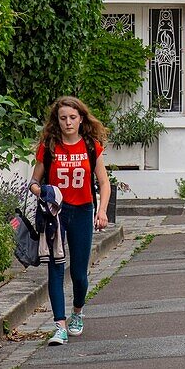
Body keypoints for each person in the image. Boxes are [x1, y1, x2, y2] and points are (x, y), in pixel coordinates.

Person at [30, 96, 111, 346]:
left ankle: (77, 311)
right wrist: (43, 192)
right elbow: (33, 182)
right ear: (57, 120)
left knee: (78, 273)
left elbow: (104, 182)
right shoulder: (49, 146)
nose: (68, 122)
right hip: (55, 214)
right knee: (55, 267)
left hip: (83, 211)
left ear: (81, 118)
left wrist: (102, 211)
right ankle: (60, 326)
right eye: (63, 118)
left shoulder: (90, 146)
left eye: (72, 118)